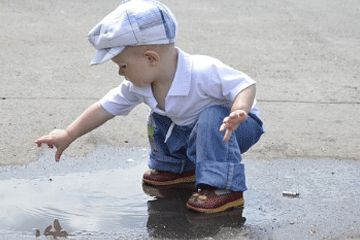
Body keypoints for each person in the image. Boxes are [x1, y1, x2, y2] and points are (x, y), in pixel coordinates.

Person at [34, 0, 264, 214]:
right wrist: (68, 134)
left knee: (211, 116)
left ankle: (224, 187)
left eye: (123, 65)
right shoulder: (139, 86)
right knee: (159, 118)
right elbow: (105, 108)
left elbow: (245, 84)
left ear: (151, 58)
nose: (120, 72)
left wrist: (238, 110)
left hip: (234, 129)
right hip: (195, 130)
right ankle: (179, 169)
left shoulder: (201, 70)